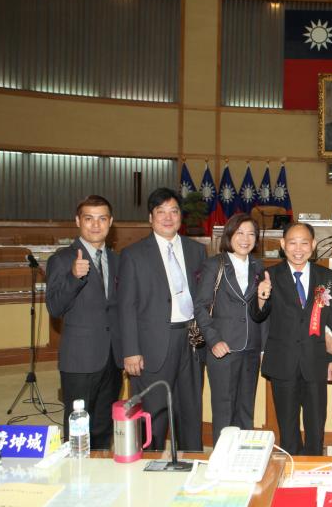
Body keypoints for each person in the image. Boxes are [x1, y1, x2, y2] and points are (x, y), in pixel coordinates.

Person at [119, 187, 207, 451]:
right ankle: (149, 463)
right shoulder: (133, 254)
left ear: (181, 216)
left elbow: (204, 299)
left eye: (174, 211)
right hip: (153, 344)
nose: (168, 218)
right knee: (153, 412)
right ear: (151, 217)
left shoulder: (196, 251)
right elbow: (126, 306)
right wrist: (131, 351)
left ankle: (191, 459)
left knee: (190, 409)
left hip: (191, 341)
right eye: (161, 212)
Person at [252, 222, 332, 455]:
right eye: (292, 243)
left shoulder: (326, 276)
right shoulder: (269, 275)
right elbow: (258, 315)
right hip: (283, 363)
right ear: (283, 244)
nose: (298, 249)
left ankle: (313, 468)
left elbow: (331, 318)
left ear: (313, 245)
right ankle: (290, 467)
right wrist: (261, 297)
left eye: (304, 243)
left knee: (316, 427)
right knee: (287, 428)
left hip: (315, 360)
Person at [45, 195, 122, 449]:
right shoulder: (62, 259)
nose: (96, 225)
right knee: (78, 430)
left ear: (110, 222)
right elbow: (55, 307)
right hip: (80, 359)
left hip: (112, 357)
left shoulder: (117, 260)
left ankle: (99, 470)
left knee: (103, 427)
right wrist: (73, 277)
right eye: (89, 219)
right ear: (78, 221)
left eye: (102, 219)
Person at [194, 214, 268, 445]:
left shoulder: (258, 267)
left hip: (251, 348)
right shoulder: (214, 265)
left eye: (251, 234)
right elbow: (201, 306)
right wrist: (213, 340)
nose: (245, 239)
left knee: (246, 408)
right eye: (240, 233)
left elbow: (263, 310)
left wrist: (263, 347)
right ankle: (223, 457)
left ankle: (243, 456)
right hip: (223, 348)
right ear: (229, 235)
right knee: (224, 409)